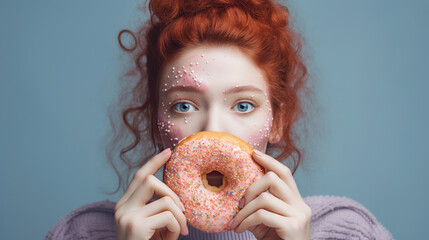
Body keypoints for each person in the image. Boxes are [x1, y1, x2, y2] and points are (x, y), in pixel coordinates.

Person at [45, 0, 393, 239]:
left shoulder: (348, 230)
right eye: (184, 106)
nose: (213, 130)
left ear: (277, 120)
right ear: (155, 120)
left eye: (242, 105)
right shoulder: (85, 233)